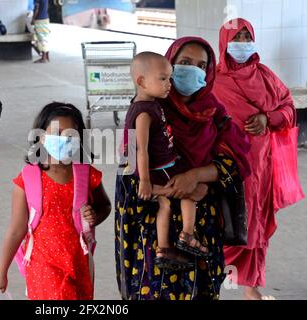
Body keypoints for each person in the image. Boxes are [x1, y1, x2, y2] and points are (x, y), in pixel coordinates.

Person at [115, 37, 251, 300]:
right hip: (154, 225)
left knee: (200, 290)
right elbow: (128, 166)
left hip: (202, 221)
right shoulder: (148, 109)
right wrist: (160, 188)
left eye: (202, 66)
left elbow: (237, 161)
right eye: (185, 63)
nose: (193, 71)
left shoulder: (214, 111)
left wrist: (196, 175)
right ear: (169, 64)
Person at [214, 18, 300, 300]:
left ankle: (252, 289)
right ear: (224, 41)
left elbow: (288, 107)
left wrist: (268, 117)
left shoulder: (265, 76)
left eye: (246, 36)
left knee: (257, 227)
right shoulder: (212, 79)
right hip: (225, 167)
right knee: (224, 225)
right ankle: (208, 282)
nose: (241, 43)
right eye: (235, 37)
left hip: (261, 168)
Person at [0, 102, 111, 300]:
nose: (63, 139)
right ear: (40, 137)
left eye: (70, 135)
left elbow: (104, 206)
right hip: (43, 265)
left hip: (79, 262)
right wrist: (1, 272)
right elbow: (16, 230)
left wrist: (94, 216)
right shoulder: (27, 179)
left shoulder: (86, 173)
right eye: (57, 133)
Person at [127, 52, 210, 271]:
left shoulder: (152, 103)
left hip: (165, 164)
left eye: (170, 78)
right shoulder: (143, 113)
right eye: (163, 79)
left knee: (164, 204)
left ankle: (164, 249)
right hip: (158, 169)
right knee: (191, 192)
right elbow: (140, 150)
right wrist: (145, 181)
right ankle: (187, 235)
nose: (169, 84)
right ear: (141, 82)